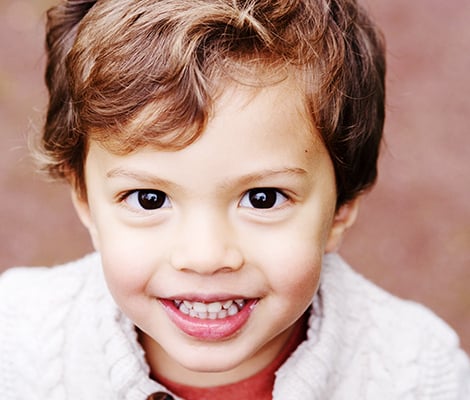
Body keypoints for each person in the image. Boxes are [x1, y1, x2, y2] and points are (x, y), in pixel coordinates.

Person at [0, 0, 468, 398]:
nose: (205, 257)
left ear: (342, 205)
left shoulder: (420, 373)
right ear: (85, 199)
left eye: (262, 198)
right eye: (147, 199)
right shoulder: (15, 342)